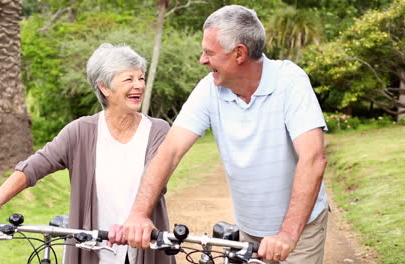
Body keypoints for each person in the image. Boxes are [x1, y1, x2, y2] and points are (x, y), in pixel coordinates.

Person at [118, 5, 329, 264]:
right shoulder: (209, 89)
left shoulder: (290, 82)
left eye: (209, 52)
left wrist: (287, 234)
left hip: (300, 231)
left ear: (239, 53)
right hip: (248, 229)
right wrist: (139, 213)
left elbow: (313, 159)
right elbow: (170, 151)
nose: (202, 60)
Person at [0, 43, 175, 264]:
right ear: (104, 87)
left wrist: (134, 220)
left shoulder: (158, 130)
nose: (139, 85)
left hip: (144, 250)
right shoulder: (80, 131)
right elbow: (34, 166)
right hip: (93, 251)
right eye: (129, 79)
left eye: (141, 78)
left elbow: (156, 180)